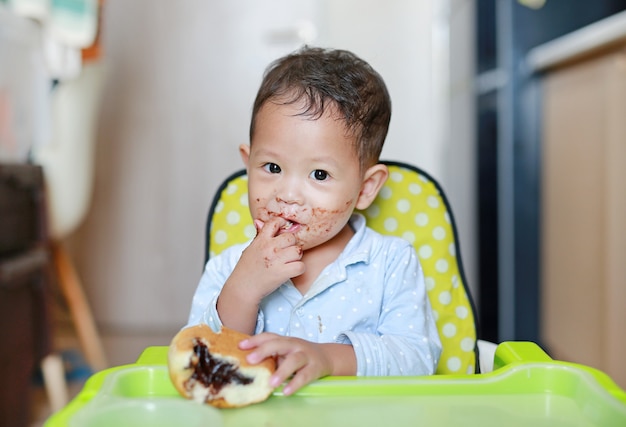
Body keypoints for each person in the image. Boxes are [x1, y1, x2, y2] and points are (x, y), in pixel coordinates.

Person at [186, 46, 441, 396]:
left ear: (366, 189)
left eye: (319, 174)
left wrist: (328, 359)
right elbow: (201, 366)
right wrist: (243, 290)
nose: (288, 194)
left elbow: (418, 358)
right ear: (248, 165)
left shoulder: (391, 264)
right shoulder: (228, 268)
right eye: (272, 168)